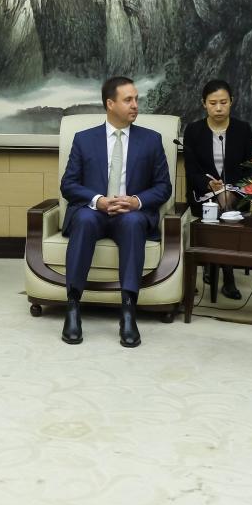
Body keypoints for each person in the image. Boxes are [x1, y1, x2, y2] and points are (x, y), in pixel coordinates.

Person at [60, 76, 172, 348]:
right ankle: (73, 306)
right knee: (84, 220)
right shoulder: (84, 140)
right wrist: (97, 200)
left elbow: (163, 187)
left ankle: (128, 310)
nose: (135, 105)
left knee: (133, 222)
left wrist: (136, 201)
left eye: (136, 99)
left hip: (130, 213)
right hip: (94, 211)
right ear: (110, 104)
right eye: (128, 100)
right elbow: (69, 184)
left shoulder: (151, 140)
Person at [181, 79, 252, 299]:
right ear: (204, 104)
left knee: (226, 200)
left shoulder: (243, 129)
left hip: (235, 195)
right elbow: (191, 172)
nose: (219, 108)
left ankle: (216, 265)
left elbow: (249, 170)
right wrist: (208, 184)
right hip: (203, 195)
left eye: (223, 102)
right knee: (222, 202)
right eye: (213, 103)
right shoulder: (193, 131)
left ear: (232, 102)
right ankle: (227, 276)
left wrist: (233, 188)